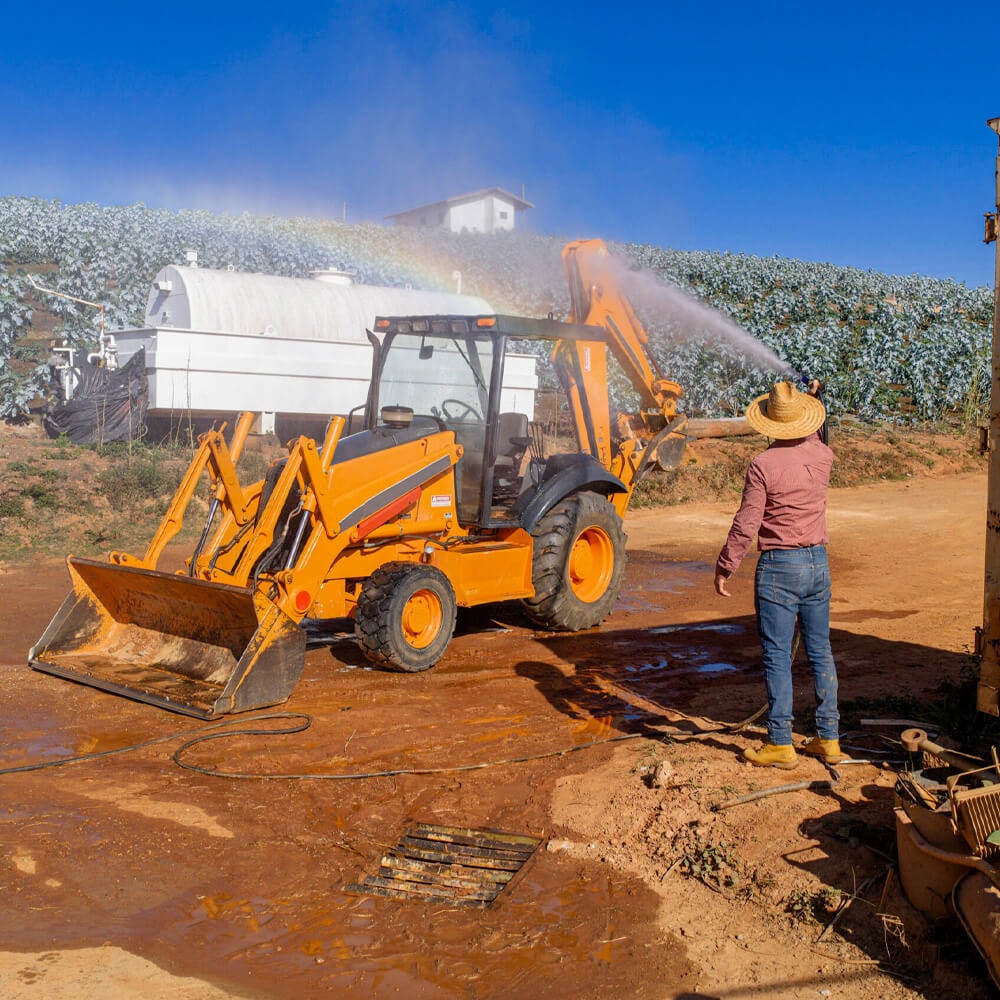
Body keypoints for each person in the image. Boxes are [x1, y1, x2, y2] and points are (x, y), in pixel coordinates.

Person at [714, 380, 842, 769]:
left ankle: (781, 742)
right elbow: (818, 434)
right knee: (820, 650)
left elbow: (747, 521)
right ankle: (829, 738)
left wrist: (726, 565)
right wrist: (816, 398)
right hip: (818, 564)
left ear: (769, 423)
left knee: (776, 655)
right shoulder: (823, 457)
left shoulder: (763, 465)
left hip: (779, 568)